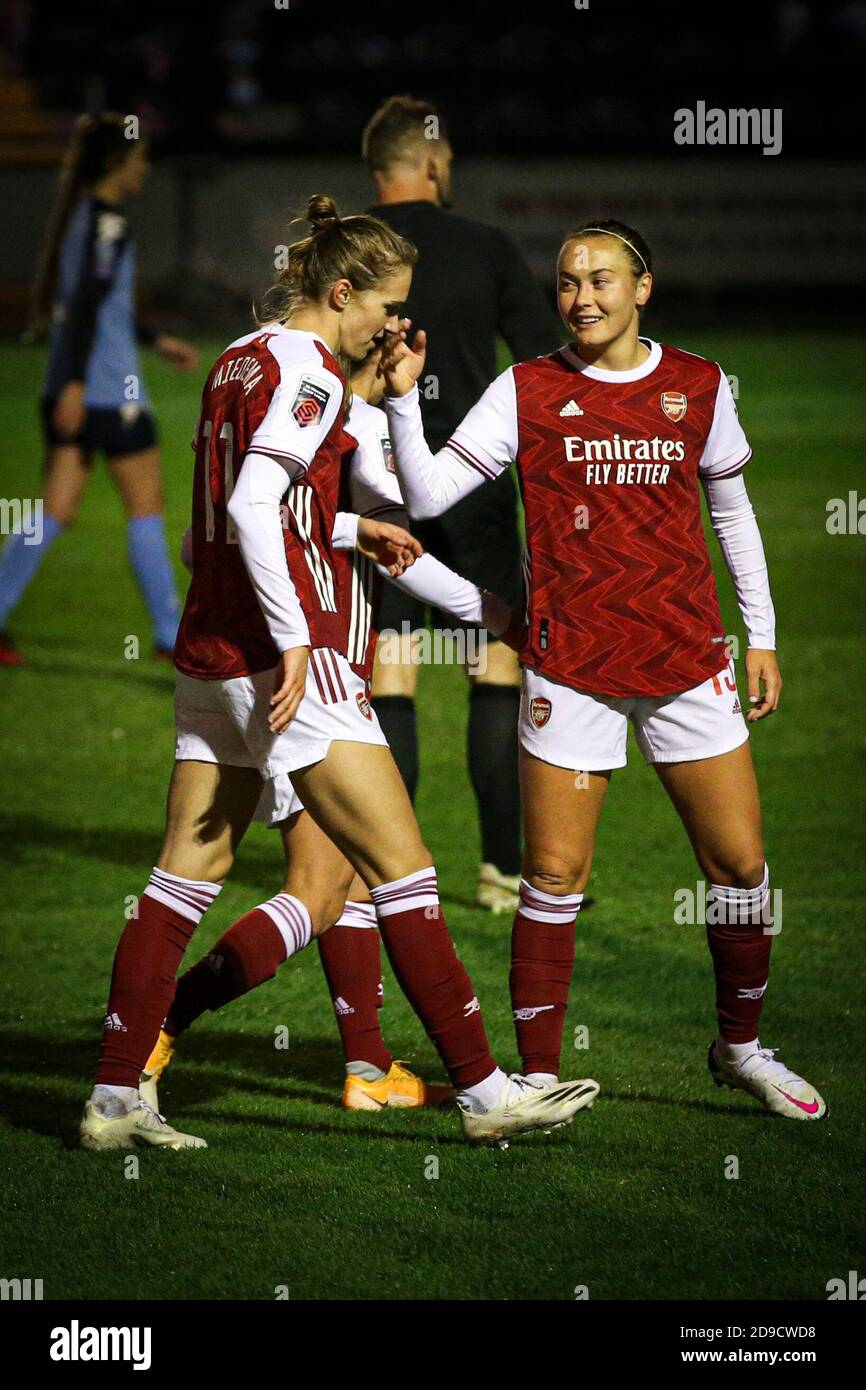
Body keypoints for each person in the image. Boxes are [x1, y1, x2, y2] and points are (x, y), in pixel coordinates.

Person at [79, 196, 598, 1152]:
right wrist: (297, 639)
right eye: (384, 308)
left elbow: (334, 499)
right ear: (343, 291)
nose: (391, 326)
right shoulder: (310, 371)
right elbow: (251, 503)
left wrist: (383, 518)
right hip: (294, 662)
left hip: (212, 655)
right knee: (402, 871)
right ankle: (487, 1096)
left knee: (186, 874)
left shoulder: (243, 358)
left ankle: (114, 1101)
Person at [379, 217, 826, 1121]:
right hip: (569, 665)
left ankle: (740, 1047)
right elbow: (427, 495)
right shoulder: (527, 389)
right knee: (552, 877)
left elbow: (732, 518)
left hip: (684, 657)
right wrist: (397, 399)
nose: (581, 298)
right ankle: (538, 1078)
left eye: (601, 280)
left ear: (642, 288)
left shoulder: (698, 385)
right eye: (568, 283)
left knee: (739, 867)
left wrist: (762, 635)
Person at [142, 345, 519, 1114]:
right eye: (396, 316)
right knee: (323, 889)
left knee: (338, 882)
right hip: (308, 679)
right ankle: (160, 1021)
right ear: (367, 319)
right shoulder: (342, 416)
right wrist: (494, 614)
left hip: (278, 674)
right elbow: (402, 546)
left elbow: (198, 541)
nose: (410, 337)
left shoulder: (265, 392)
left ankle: (368, 1067)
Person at [362, 94, 564, 913]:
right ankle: (501, 873)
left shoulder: (348, 251)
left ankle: (392, 874)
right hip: (474, 480)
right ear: (436, 163)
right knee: (495, 663)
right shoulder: (484, 247)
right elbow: (546, 362)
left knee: (390, 670)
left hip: (376, 481)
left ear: (376, 168)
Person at [0, 113, 198, 666]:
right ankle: (169, 635)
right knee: (146, 508)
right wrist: (79, 385)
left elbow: (97, 310)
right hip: (110, 395)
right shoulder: (108, 224)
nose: (144, 167)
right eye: (138, 158)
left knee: (55, 510)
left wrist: (154, 341)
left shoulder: (80, 217)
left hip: (75, 386)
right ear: (118, 163)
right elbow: (87, 308)